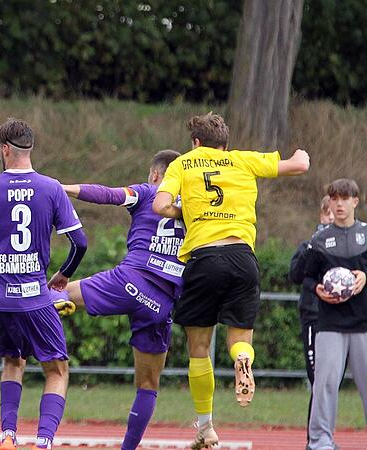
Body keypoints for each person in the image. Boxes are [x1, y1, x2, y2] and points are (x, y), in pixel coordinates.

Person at [152, 112, 309, 449]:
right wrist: (301, 153)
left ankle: (206, 427)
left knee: (198, 350)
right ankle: (242, 360)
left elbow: (160, 204)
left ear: (195, 143)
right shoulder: (243, 160)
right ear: (225, 144)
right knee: (239, 338)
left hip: (204, 258)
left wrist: (187, 210)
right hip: (242, 258)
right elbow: (298, 166)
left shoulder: (183, 163)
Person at [0, 118, 87, 450]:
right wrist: (63, 275)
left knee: (12, 362)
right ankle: (43, 441)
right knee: (57, 371)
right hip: (35, 297)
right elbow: (80, 243)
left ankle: (7, 436)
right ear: (29, 148)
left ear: (4, 149)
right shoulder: (51, 187)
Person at [52, 149, 184, 450]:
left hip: (130, 282)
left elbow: (108, 194)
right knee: (149, 385)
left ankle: (25, 341)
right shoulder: (195, 208)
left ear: (155, 174)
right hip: (161, 303)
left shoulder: (149, 191)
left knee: (55, 293)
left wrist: (64, 188)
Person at [302, 179, 367, 450]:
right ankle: (320, 442)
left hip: (364, 324)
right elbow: (303, 276)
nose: (339, 204)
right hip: (329, 325)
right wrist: (317, 287)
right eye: (334, 199)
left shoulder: (366, 235)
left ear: (355, 201)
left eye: (344, 198)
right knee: (325, 386)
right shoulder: (318, 240)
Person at [289, 194, 334, 444]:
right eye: (326, 213)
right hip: (314, 319)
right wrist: (313, 244)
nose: (331, 218)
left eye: (334, 213)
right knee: (318, 382)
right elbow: (294, 274)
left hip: (342, 322)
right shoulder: (309, 245)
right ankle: (315, 442)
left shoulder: (349, 249)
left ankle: (325, 437)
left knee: (331, 385)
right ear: (321, 215)